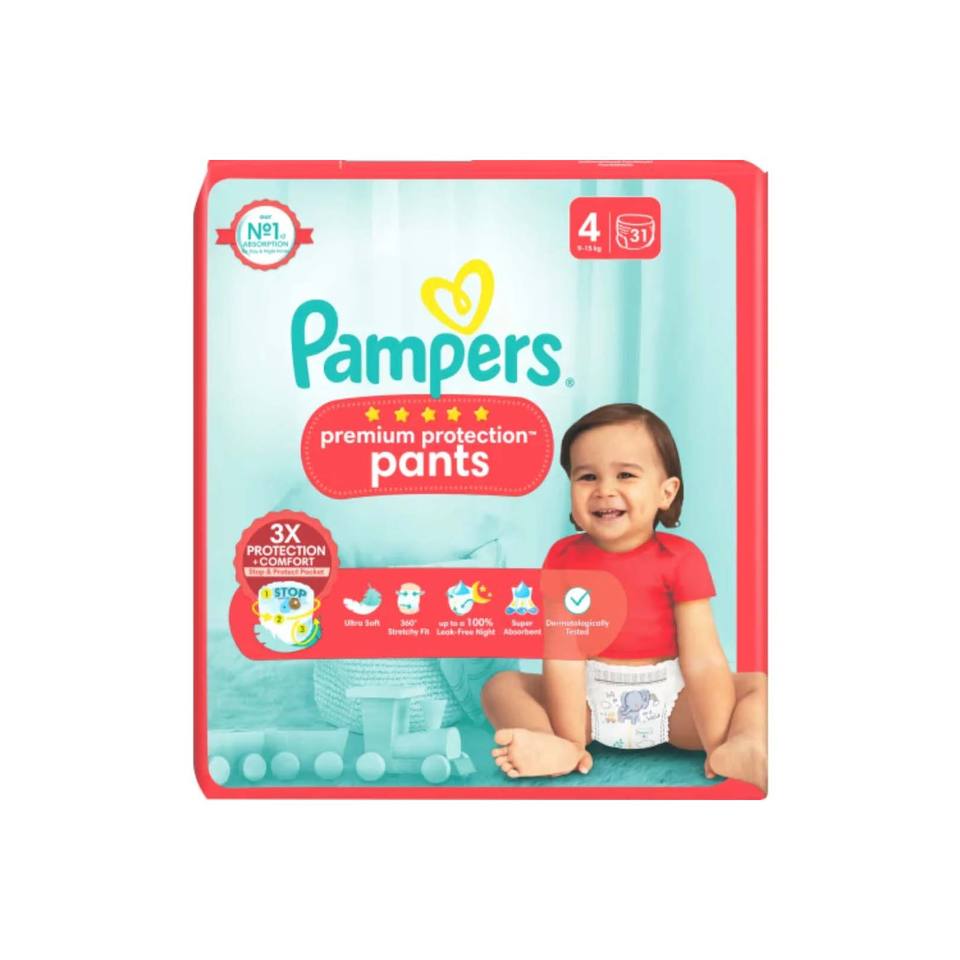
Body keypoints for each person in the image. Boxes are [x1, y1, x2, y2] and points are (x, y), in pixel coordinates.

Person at [481, 403, 768, 792]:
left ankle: (740, 745)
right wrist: (571, 739)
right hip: (587, 702)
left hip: (671, 704)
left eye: (626, 475)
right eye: (587, 477)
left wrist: (714, 741)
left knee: (757, 686)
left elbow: (702, 659)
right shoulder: (563, 558)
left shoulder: (682, 559)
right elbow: (563, 656)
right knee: (501, 686)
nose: (604, 490)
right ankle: (552, 745)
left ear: (666, 492)